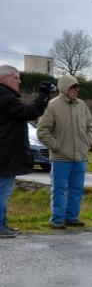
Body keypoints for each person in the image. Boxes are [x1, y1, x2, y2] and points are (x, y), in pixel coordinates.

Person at [36, 75, 92, 229]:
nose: (76, 90)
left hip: (80, 156)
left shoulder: (82, 105)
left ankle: (72, 217)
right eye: (72, 87)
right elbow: (42, 131)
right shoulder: (52, 106)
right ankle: (57, 219)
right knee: (59, 189)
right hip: (60, 158)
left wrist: (86, 143)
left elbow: (91, 126)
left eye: (77, 88)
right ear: (64, 88)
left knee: (77, 189)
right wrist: (56, 146)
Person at [0, 65, 51, 237]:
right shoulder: (5, 97)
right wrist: (43, 96)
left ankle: (2, 224)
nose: (19, 81)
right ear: (4, 79)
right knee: (2, 192)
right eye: (16, 77)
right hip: (5, 155)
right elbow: (28, 112)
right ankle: (0, 226)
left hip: (4, 153)